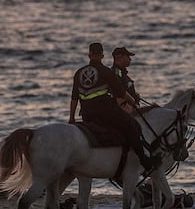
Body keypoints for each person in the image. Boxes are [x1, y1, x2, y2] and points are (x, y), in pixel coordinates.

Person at [68, 42, 160, 171]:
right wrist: (133, 101)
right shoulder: (106, 72)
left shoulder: (79, 73)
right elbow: (121, 93)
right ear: (102, 56)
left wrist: (71, 118)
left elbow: (74, 97)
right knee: (132, 125)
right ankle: (144, 161)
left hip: (87, 114)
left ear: (89, 55)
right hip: (105, 113)